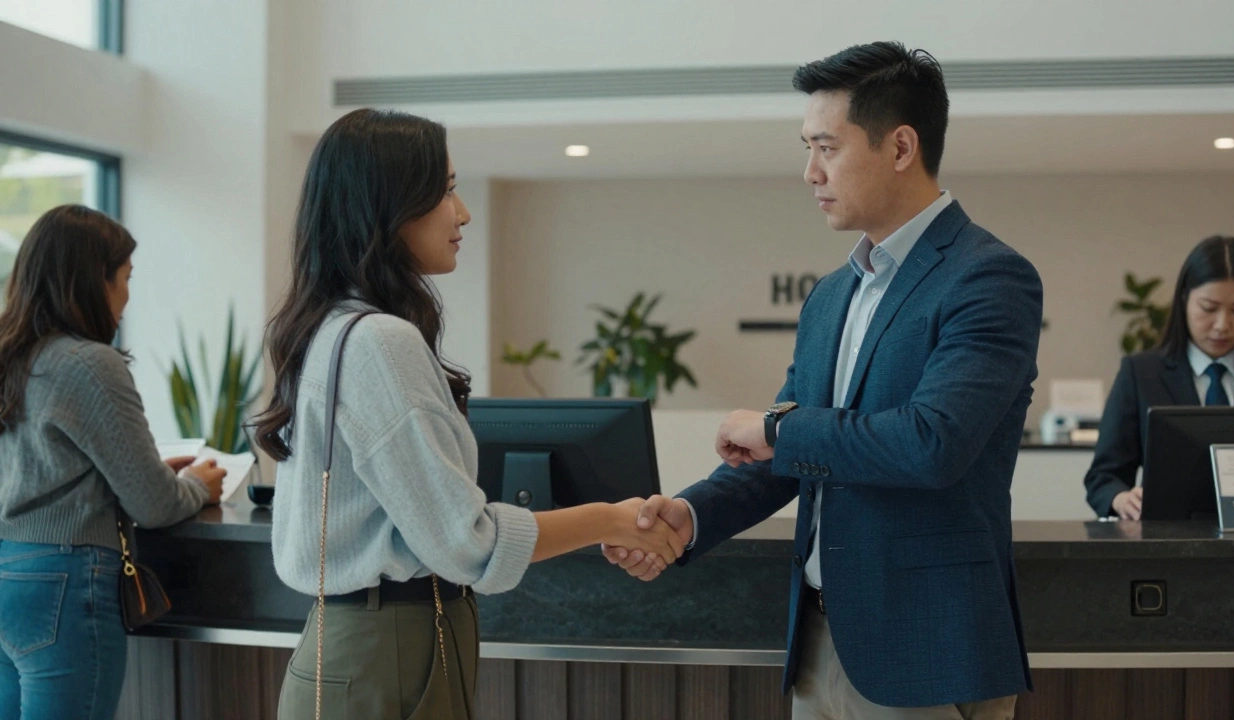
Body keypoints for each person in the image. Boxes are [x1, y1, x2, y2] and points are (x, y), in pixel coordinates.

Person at [605, 42, 1042, 719]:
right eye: (806, 148)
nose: (810, 172)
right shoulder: (832, 295)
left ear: (901, 147)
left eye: (827, 148)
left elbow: (932, 445)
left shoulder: (989, 278)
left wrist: (778, 427)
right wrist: (688, 518)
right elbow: (794, 457)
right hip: (817, 641)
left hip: (926, 653)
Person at [255, 108, 684, 720]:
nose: (463, 213)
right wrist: (607, 519)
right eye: (448, 190)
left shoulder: (330, 328)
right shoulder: (379, 341)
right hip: (388, 652)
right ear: (390, 204)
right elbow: (468, 543)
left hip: (370, 647)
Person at [0, 204, 226, 720]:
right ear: (90, 282)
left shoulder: (13, 357)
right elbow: (155, 506)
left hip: (9, 576)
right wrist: (194, 484)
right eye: (124, 278)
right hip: (66, 581)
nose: (127, 296)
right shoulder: (88, 363)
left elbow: (42, 467)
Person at [1084, 235, 1234, 520]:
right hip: (1167, 547)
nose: (1223, 325)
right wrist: (1121, 498)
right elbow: (1103, 476)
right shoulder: (1141, 374)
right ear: (1185, 299)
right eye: (1209, 308)